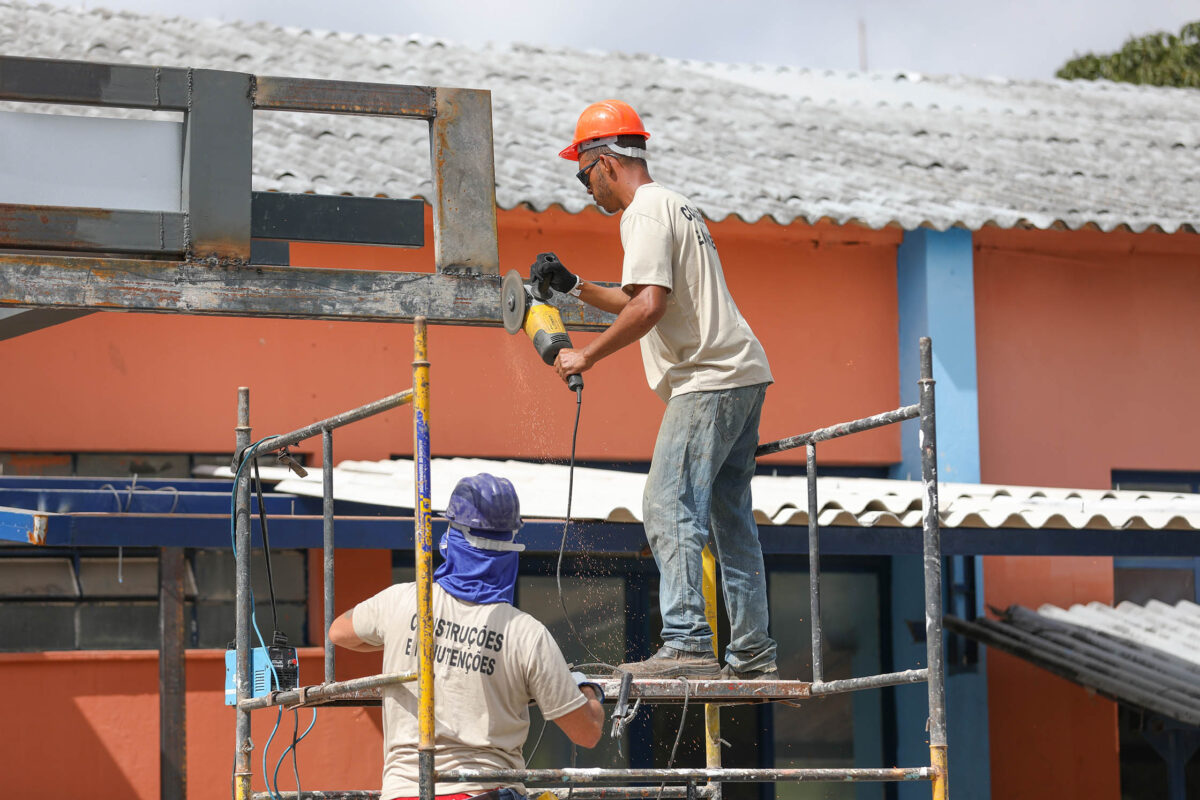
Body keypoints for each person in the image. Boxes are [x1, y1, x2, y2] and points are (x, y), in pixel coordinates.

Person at [531, 99, 778, 681]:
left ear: (607, 162)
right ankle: (753, 653)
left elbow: (649, 304)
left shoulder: (640, 212)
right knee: (729, 520)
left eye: (583, 172)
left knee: (666, 505)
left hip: (707, 380)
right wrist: (572, 286)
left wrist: (586, 354)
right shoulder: (677, 205)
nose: (585, 187)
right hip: (743, 375)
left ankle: (688, 643)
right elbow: (642, 294)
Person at [329, 473, 606, 800]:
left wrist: (406, 640)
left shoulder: (404, 601)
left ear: (450, 538)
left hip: (403, 791)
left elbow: (340, 632)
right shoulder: (524, 633)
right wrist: (587, 691)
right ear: (512, 545)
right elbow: (586, 733)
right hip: (484, 790)